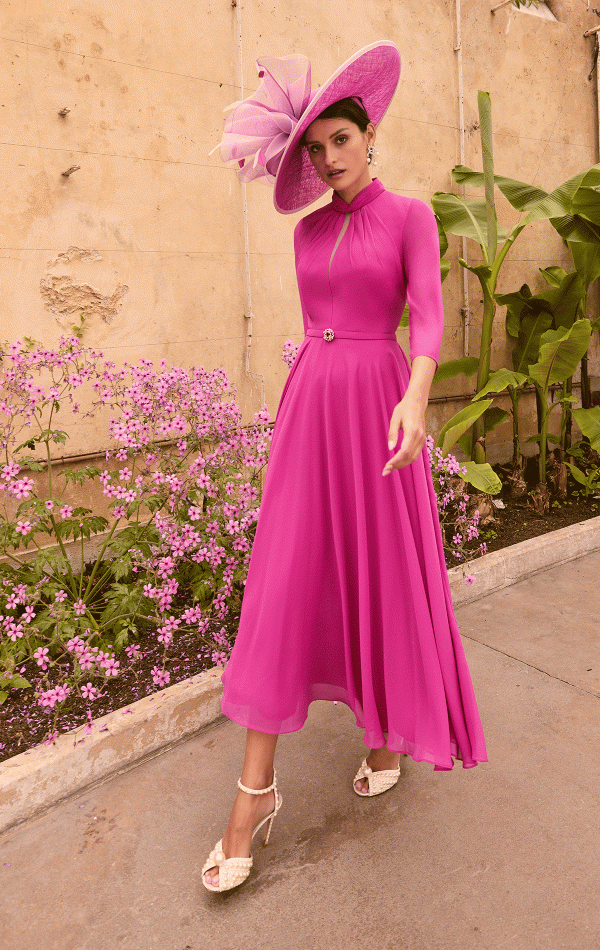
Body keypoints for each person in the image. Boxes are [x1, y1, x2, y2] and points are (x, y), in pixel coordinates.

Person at [203, 42, 487, 893]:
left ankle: (383, 728)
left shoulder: (410, 217)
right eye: (315, 148)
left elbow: (427, 318)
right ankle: (255, 793)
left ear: (370, 134)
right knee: (288, 580)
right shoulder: (308, 229)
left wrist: (418, 395)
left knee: (378, 573)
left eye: (339, 140)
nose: (329, 159)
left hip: (379, 403)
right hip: (311, 405)